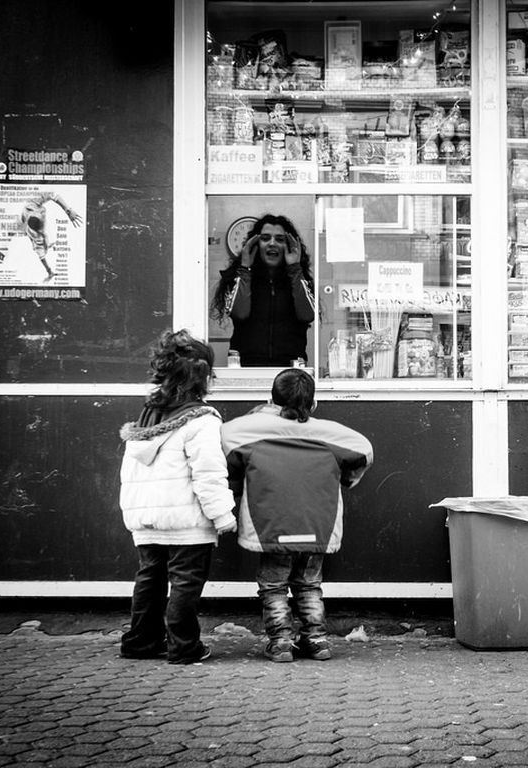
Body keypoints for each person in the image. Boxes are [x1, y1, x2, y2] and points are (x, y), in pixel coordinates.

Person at [221, 368, 374, 662]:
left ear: (272, 401)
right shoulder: (330, 434)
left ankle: (280, 642)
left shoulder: (247, 430)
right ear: (313, 403)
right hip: (317, 523)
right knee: (310, 584)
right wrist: (346, 479)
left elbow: (224, 441)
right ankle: (316, 641)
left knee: (273, 586)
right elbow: (363, 451)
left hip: (271, 524)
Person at [118, 329, 237, 665]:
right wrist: (222, 515)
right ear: (204, 378)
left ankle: (141, 642)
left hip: (147, 517)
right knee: (185, 583)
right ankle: (184, 646)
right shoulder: (201, 421)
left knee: (149, 579)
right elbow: (208, 474)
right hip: (186, 521)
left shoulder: (148, 414)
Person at [210, 214, 316, 367]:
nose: (272, 243)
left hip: (289, 369)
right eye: (265, 238)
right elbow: (240, 314)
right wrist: (245, 269)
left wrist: (294, 269)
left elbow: (307, 315)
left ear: (288, 245)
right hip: (247, 368)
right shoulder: (239, 277)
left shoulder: (298, 278)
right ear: (256, 244)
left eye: (280, 239)